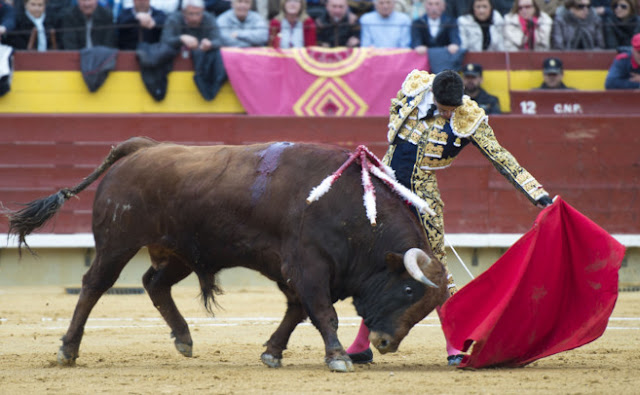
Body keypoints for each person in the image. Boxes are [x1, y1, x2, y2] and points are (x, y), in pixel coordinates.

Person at [346, 69, 553, 366]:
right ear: (433, 95)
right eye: (443, 108)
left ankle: (454, 345)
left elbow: (501, 158)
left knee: (435, 269)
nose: (446, 114)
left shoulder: (468, 117)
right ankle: (359, 345)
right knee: (381, 264)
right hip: (386, 188)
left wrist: (537, 194)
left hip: (423, 197)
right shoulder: (415, 87)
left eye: (451, 110)